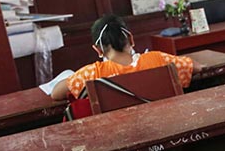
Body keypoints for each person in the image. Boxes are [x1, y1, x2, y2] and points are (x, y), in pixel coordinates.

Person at [50, 14, 198, 102]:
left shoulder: (91, 74)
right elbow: (196, 68)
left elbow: (56, 94)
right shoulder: (159, 60)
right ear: (131, 39)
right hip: (167, 130)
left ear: (98, 49)